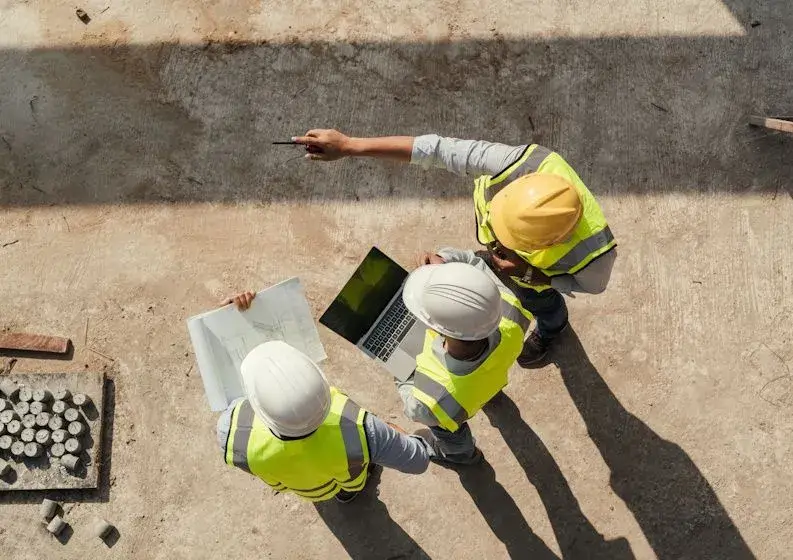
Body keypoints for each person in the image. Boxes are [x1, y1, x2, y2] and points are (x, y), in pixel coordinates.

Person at [293, 129, 617, 365]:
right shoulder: (518, 163)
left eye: (508, 240)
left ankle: (552, 329)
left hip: (534, 279)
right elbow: (436, 149)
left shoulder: (595, 255)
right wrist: (350, 145)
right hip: (522, 267)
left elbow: (592, 288)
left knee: (543, 305)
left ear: (550, 242)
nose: (496, 242)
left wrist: (535, 276)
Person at [217, 292, 433, 503]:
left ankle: (340, 494)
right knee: (351, 481)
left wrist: (228, 322)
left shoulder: (231, 433)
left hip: (306, 489)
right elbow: (418, 460)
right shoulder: (363, 429)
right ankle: (348, 492)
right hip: (349, 476)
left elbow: (227, 393)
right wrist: (386, 432)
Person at [395, 260, 532, 464]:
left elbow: (415, 410)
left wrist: (400, 373)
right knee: (484, 384)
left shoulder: (432, 401)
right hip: (488, 381)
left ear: (437, 330)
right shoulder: (511, 311)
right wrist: (446, 267)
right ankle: (490, 397)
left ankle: (462, 455)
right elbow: (473, 263)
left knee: (448, 431)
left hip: (456, 405)